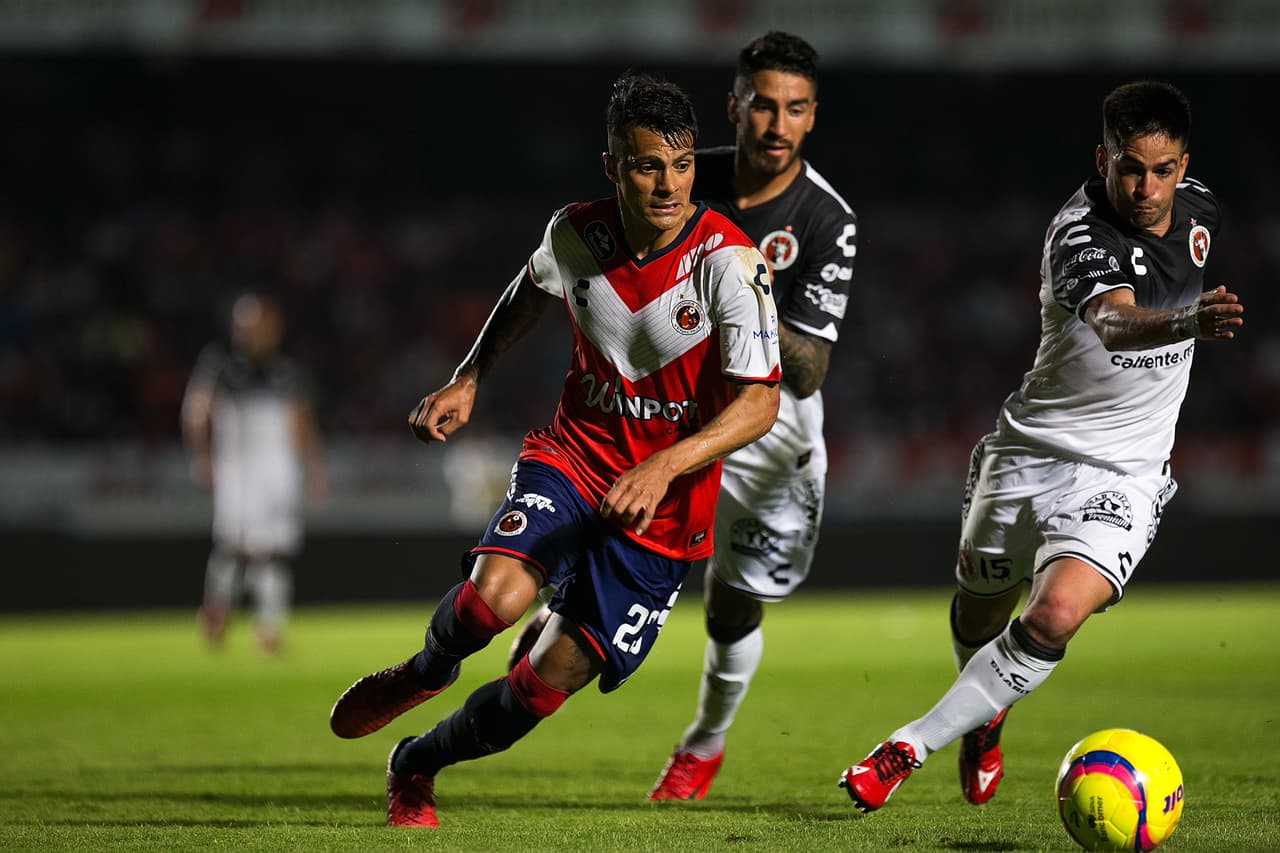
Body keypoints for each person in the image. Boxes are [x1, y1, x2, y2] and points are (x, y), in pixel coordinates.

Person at [327, 70, 781, 829]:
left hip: (666, 510)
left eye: (681, 165)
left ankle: (415, 763)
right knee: (490, 602)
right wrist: (469, 376)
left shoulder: (731, 263)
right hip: (574, 458)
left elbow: (761, 402)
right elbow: (527, 291)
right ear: (612, 167)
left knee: (538, 691)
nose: (668, 185)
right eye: (646, 166)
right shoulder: (576, 234)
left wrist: (666, 463)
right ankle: (427, 668)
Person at [837, 80, 1244, 813]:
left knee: (1053, 614)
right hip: (1028, 455)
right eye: (1129, 168)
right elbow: (1114, 325)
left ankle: (907, 747)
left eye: (1162, 170)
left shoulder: (1202, 210)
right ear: (1103, 158)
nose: (1145, 188)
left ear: (1184, 166)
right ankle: (983, 716)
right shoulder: (1079, 232)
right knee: (978, 613)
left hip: (1125, 471)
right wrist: (1189, 323)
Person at [645, 31, 858, 800]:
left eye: (795, 109)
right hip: (670, 408)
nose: (777, 124)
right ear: (733, 106)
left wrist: (745, 290)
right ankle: (557, 619)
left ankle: (704, 742)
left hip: (769, 431)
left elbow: (809, 368)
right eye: (763, 105)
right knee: (602, 525)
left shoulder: (826, 218)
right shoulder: (680, 182)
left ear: (812, 116)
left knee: (732, 603)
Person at [181, 292, 328, 654]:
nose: (258, 332)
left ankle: (268, 626)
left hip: (278, 468)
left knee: (273, 549)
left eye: (265, 324)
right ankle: (217, 608)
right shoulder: (221, 367)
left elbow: (301, 422)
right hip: (238, 464)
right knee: (234, 545)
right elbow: (197, 409)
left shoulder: (288, 373)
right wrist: (201, 455)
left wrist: (313, 468)